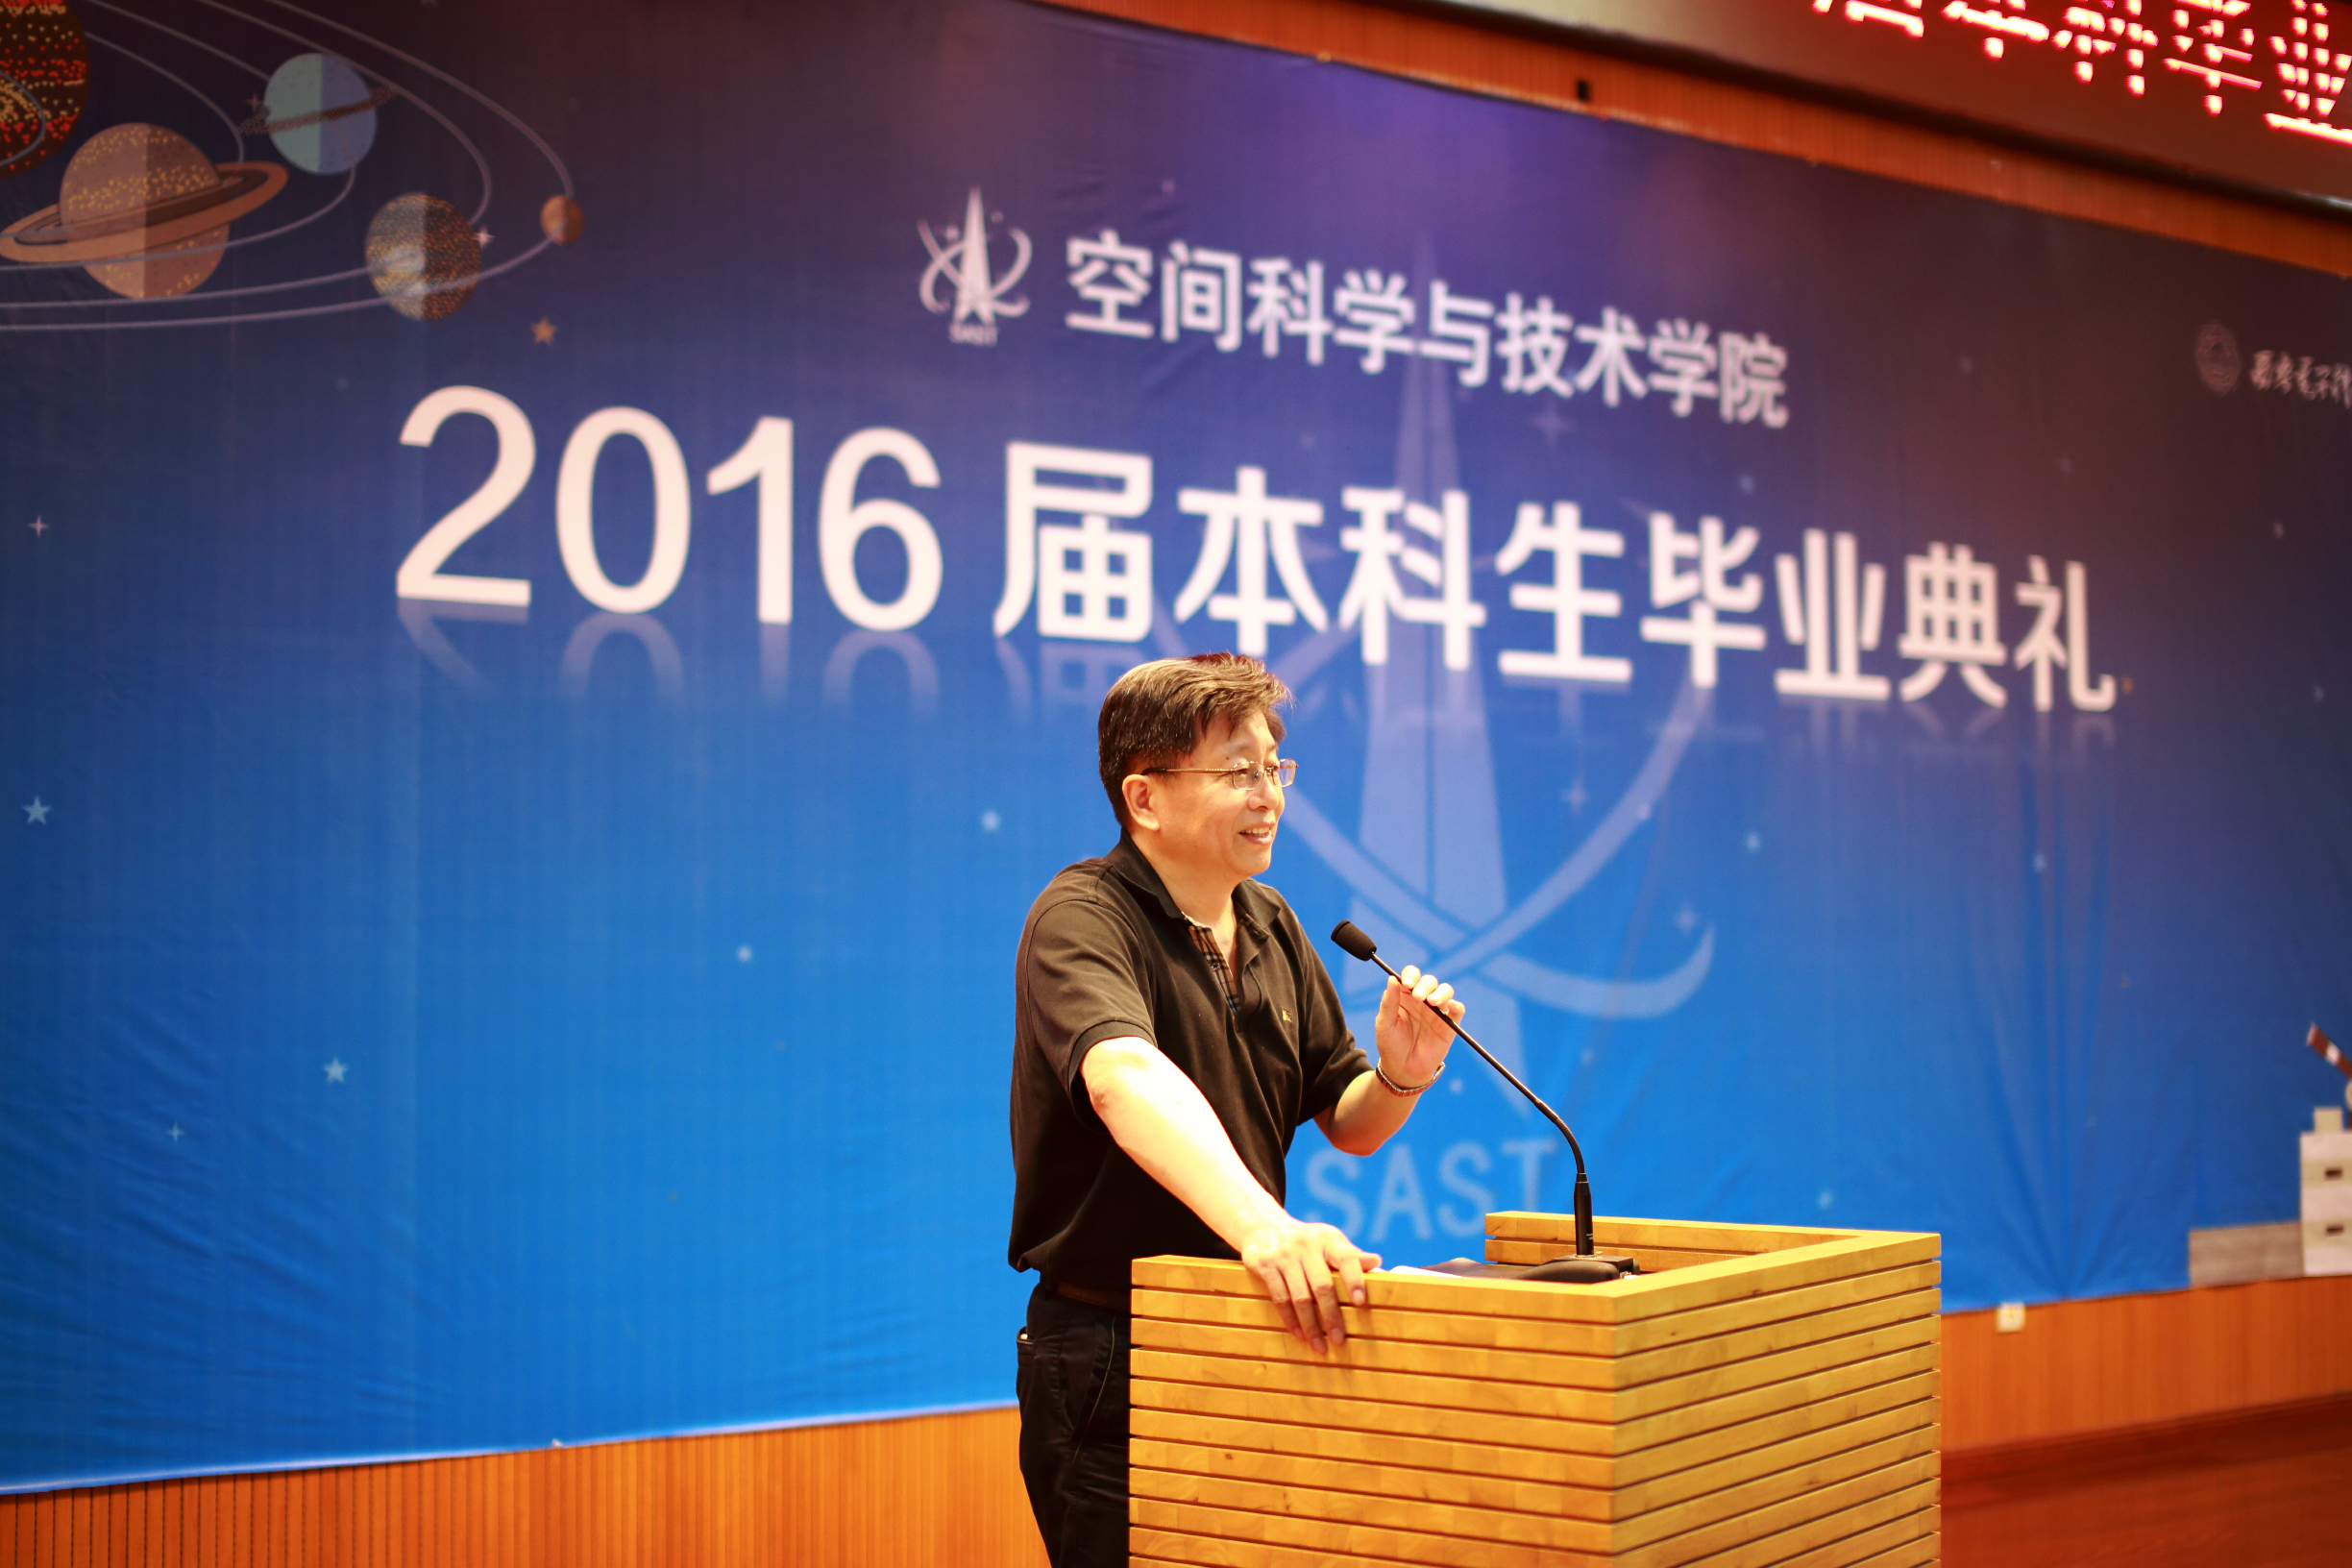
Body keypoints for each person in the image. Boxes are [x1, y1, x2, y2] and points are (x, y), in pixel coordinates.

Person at [1007, 652, 1464, 1568]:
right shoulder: (1082, 915)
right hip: (1114, 1350)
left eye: (1274, 768)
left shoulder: (1271, 920)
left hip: (1245, 1329)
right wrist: (1267, 1230)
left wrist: (1402, 1075)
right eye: (1237, 772)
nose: (1269, 796)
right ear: (1144, 798)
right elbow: (1122, 1076)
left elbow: (1348, 1121)